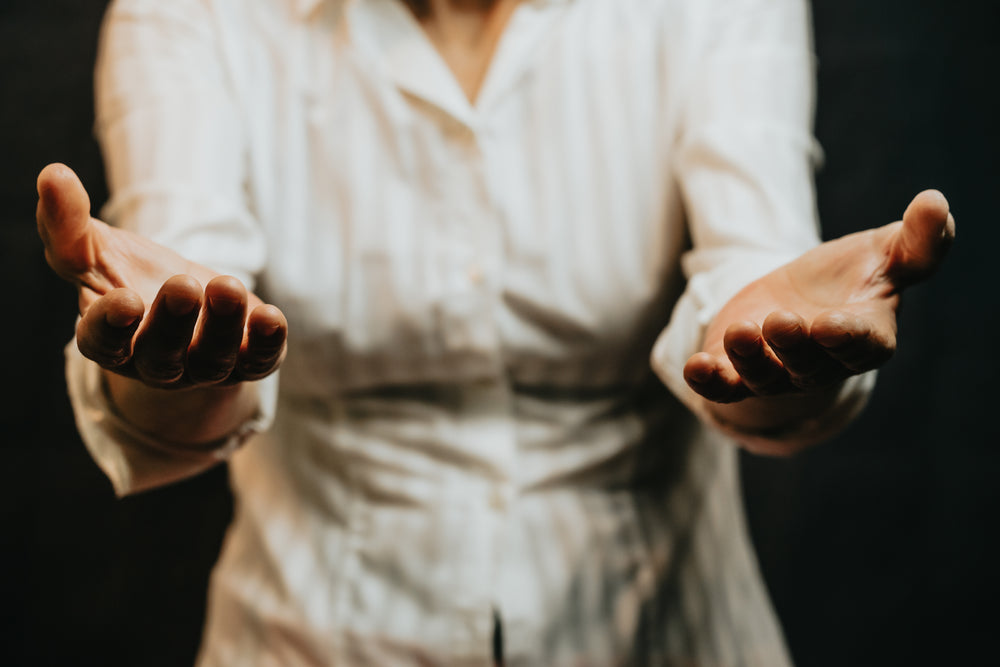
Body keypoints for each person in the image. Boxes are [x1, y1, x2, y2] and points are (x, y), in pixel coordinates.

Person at [36, 0, 955, 664]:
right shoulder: (190, 15)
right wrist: (176, 355)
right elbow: (184, 283)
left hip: (667, 635)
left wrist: (780, 343)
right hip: (304, 639)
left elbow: (750, 277)